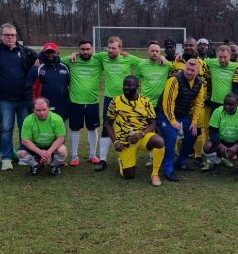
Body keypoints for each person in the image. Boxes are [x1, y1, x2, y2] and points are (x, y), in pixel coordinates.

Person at [0, 23, 37, 170]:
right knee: (6, 129)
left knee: (24, 128)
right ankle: (6, 158)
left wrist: (72, 56)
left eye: (13, 35)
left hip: (24, 99)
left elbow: (46, 59)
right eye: (7, 35)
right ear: (1, 36)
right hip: (4, 100)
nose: (10, 37)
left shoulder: (26, 52)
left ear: (16, 36)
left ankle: (23, 156)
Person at [92, 36, 143, 171]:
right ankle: (102, 160)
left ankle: (127, 156)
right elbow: (87, 55)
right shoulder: (103, 57)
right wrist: (74, 54)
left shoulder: (128, 58)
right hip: (109, 98)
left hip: (125, 99)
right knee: (106, 127)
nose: (110, 50)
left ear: (120, 49)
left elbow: (145, 62)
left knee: (128, 127)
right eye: (109, 47)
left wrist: (161, 58)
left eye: (114, 48)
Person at [105, 76, 165, 186]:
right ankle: (122, 162)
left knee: (159, 141)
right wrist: (115, 142)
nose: (126, 88)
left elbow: (153, 123)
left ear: (137, 86)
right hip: (125, 142)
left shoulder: (145, 101)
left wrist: (141, 134)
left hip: (142, 137)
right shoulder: (116, 101)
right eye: (124, 85)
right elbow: (108, 124)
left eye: (129, 85)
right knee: (129, 176)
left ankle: (155, 174)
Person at [157, 59, 205, 181]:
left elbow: (199, 104)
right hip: (166, 114)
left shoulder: (199, 84)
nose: (189, 72)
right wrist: (173, 122)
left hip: (183, 114)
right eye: (187, 69)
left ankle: (181, 162)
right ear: (184, 68)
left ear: (198, 71)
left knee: (193, 133)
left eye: (192, 70)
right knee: (172, 136)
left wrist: (194, 122)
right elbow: (168, 103)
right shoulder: (174, 79)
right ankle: (168, 169)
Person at [61, 39, 103, 167]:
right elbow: (55, 59)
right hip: (75, 101)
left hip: (92, 101)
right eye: (82, 49)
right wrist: (73, 54)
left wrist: (123, 53)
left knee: (92, 128)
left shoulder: (98, 61)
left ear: (92, 49)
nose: (85, 52)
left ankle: (93, 155)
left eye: (88, 49)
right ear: (78, 50)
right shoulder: (71, 60)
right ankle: (74, 156)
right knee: (74, 129)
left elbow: (113, 57)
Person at [201, 93, 238, 173]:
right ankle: (217, 163)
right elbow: (212, 133)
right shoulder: (217, 111)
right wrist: (220, 145)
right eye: (225, 104)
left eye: (230, 104)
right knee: (207, 146)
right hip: (222, 141)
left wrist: (236, 146)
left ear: (237, 104)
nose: (227, 106)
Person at [19, 97, 67, 177]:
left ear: (49, 108)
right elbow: (25, 140)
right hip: (35, 146)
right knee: (21, 153)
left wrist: (48, 153)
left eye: (44, 109)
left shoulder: (57, 119)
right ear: (33, 110)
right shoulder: (28, 120)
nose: (42, 113)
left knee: (62, 151)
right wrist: (40, 152)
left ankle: (54, 166)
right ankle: (35, 165)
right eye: (38, 110)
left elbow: (61, 138)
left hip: (51, 146)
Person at [25, 42, 70, 121]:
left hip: (62, 107)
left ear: (58, 53)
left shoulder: (65, 67)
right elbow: (30, 89)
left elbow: (69, 84)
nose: (50, 55)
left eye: (53, 52)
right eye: (47, 52)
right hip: (43, 108)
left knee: (60, 127)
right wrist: (31, 105)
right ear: (43, 53)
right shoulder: (37, 68)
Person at [204, 45, 238, 111]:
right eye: (220, 57)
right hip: (215, 102)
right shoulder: (212, 63)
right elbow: (198, 60)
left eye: (225, 57)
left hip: (230, 102)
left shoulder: (236, 66)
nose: (222, 60)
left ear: (230, 56)